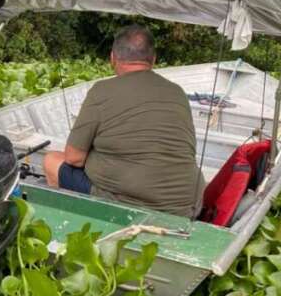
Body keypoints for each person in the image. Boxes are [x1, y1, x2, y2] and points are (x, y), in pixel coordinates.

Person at [42, 24, 201, 217]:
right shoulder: (178, 92)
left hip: (127, 203)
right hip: (185, 207)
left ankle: (70, 219)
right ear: (153, 59)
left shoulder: (101, 90)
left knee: (51, 161)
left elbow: (73, 158)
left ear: (112, 58)